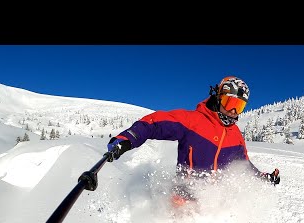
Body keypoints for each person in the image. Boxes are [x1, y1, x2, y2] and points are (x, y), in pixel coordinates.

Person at [106, 76, 280, 207]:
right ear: (218, 97)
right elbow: (154, 123)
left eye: (239, 107)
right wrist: (127, 138)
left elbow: (244, 165)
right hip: (181, 200)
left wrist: (264, 178)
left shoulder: (236, 137)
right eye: (229, 103)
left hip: (213, 204)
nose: (232, 111)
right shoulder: (192, 121)